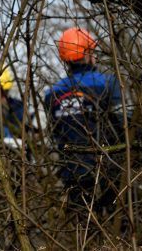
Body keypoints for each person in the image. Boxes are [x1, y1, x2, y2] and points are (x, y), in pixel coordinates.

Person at [43, 27, 127, 217]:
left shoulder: (52, 94)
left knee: (84, 228)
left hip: (72, 174)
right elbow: (124, 123)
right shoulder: (108, 82)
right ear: (88, 53)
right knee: (118, 224)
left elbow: (54, 132)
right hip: (109, 168)